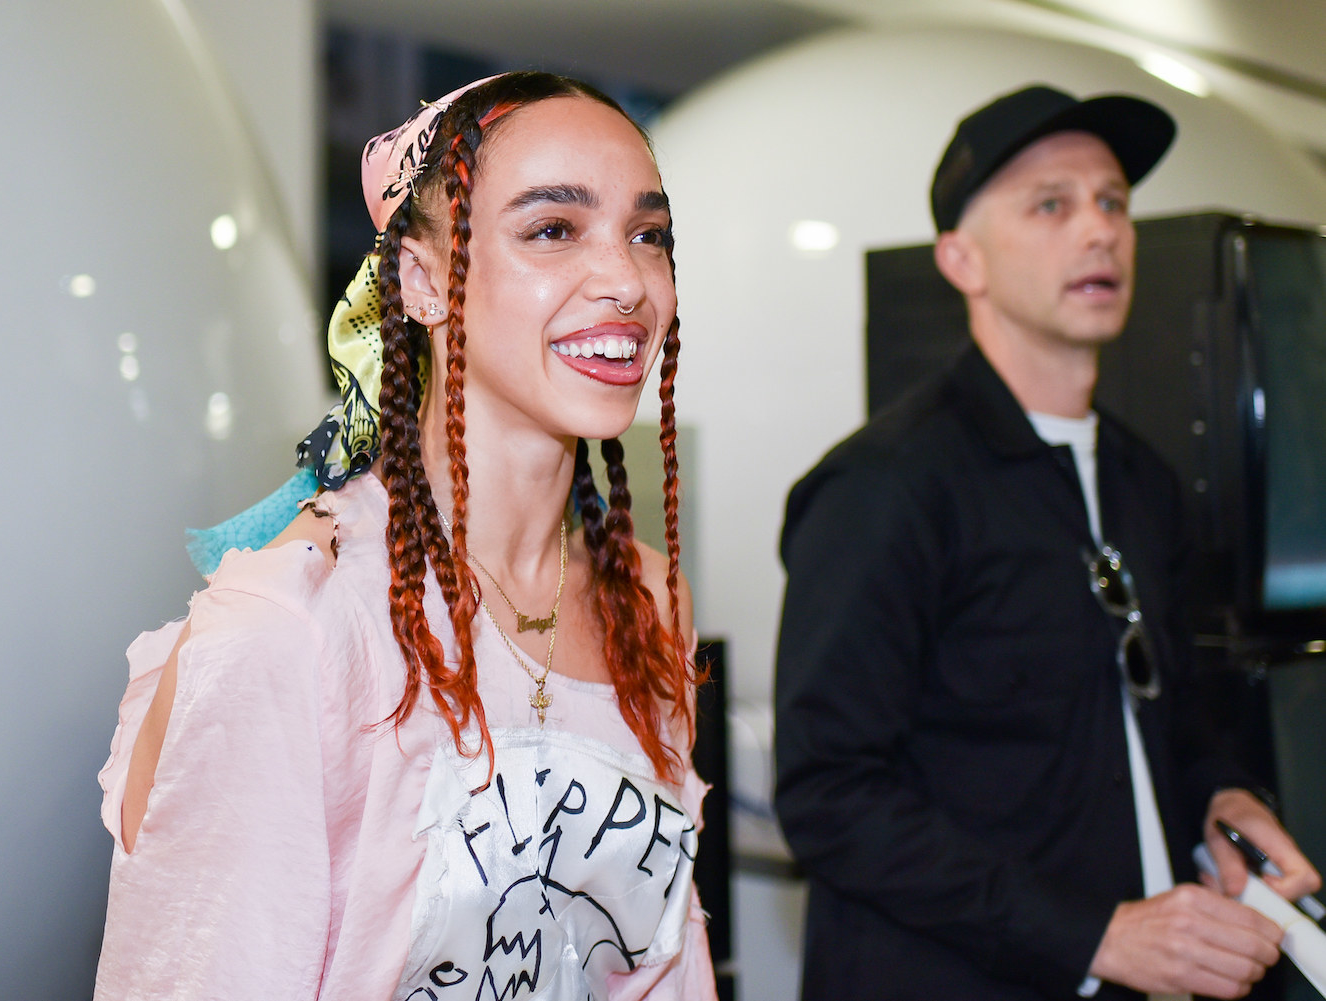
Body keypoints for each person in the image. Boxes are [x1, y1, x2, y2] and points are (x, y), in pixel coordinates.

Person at [93, 71, 716, 1000]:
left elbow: (661, 963)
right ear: (424, 279)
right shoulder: (295, 626)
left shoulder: (648, 600)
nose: (626, 280)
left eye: (648, 235)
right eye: (553, 229)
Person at [774, 84, 1321, 1001]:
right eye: (1051, 206)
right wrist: (1095, 934)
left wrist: (1225, 800)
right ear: (962, 259)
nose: (1099, 230)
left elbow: (1176, 721)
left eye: (1113, 202)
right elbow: (829, 796)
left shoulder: (1142, 481)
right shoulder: (887, 486)